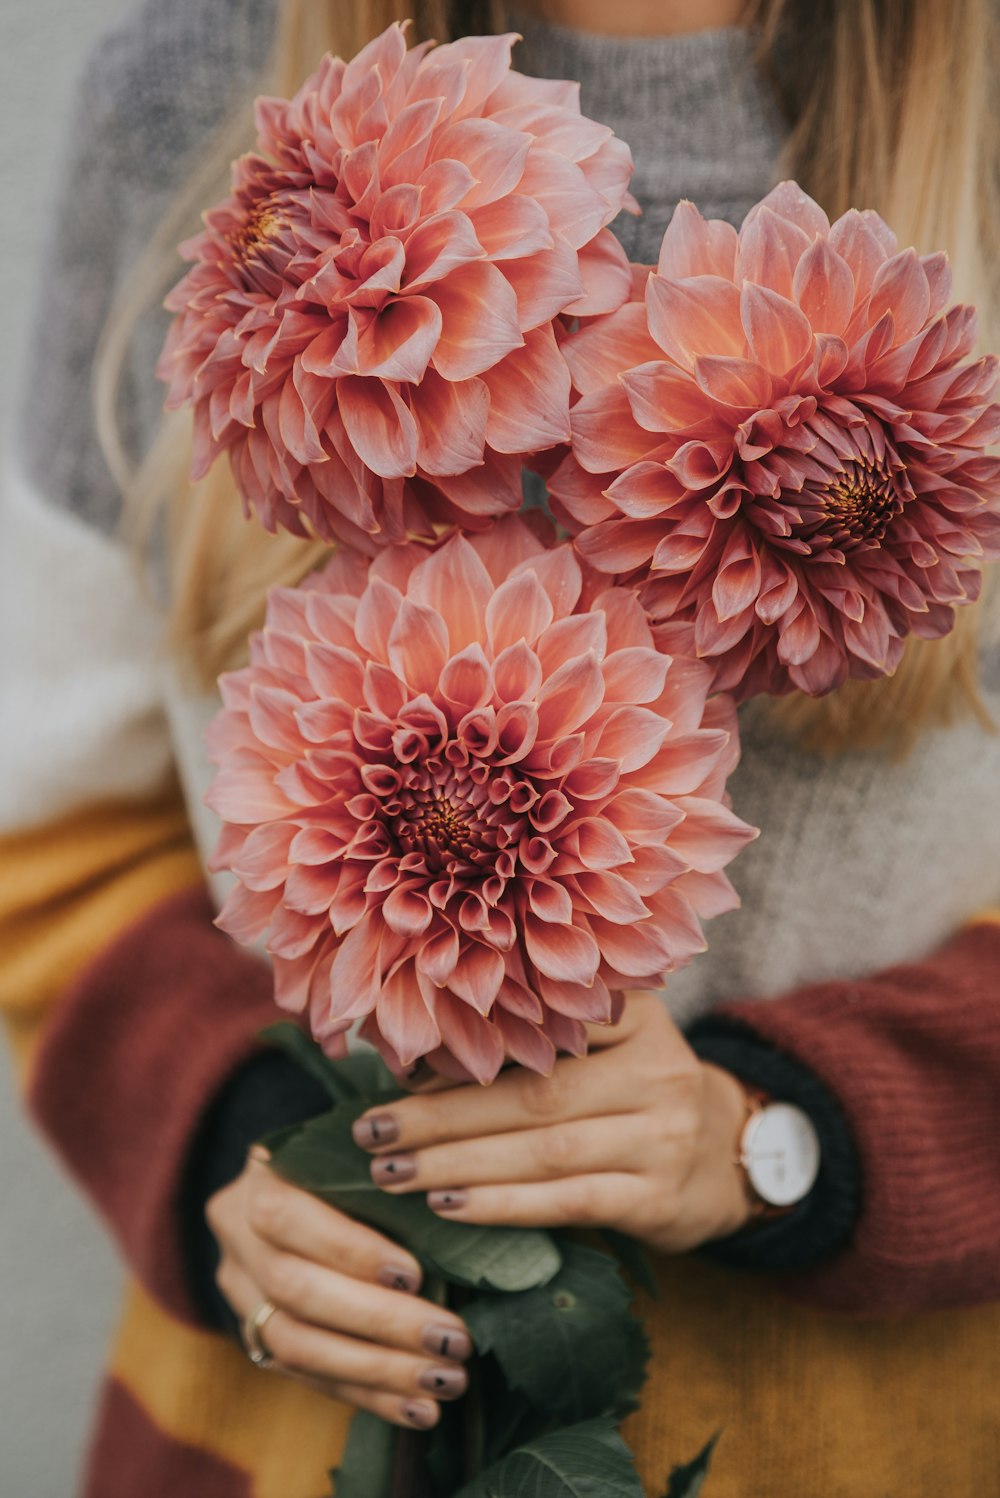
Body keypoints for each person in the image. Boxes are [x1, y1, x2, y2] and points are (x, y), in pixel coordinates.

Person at [2, 0, 999, 1494]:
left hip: (883, 1438)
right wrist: (235, 1133)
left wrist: (786, 1134)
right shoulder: (192, 91)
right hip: (268, 1440)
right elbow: (44, 815)